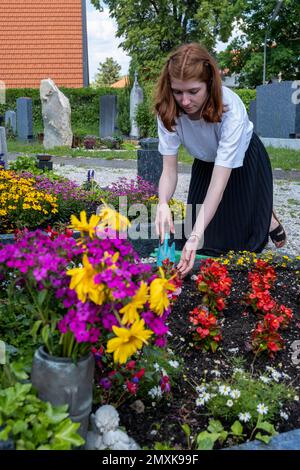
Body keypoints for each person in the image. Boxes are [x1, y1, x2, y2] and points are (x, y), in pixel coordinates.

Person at [154, 43, 286, 277]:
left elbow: (218, 184)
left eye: (193, 91)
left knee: (238, 241)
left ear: (210, 84)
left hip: (242, 158)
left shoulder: (230, 108)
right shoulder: (168, 110)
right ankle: (263, 211)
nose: (184, 101)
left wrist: (194, 236)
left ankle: (266, 219)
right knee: (205, 239)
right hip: (205, 160)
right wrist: (163, 202)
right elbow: (169, 170)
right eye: (177, 91)